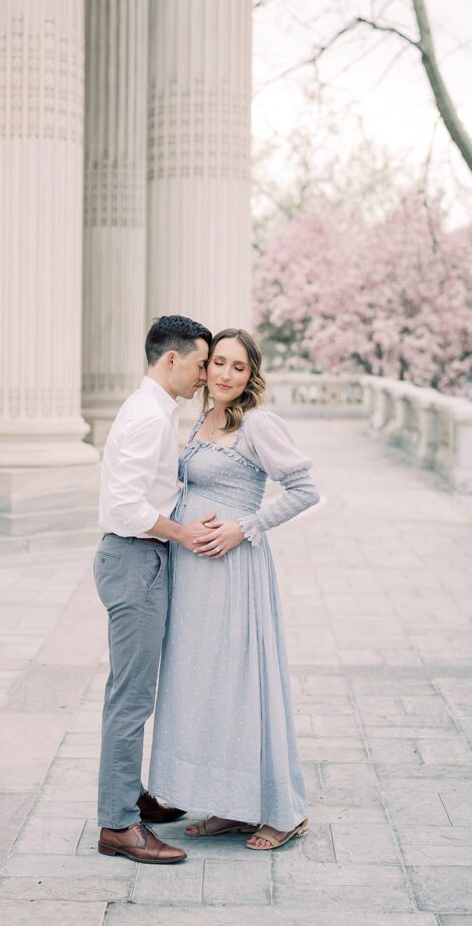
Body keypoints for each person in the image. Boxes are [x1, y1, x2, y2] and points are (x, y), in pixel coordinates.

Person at [148, 327, 320, 851]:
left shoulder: (258, 424)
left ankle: (282, 812)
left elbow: (305, 490)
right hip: (194, 573)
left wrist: (244, 526)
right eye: (217, 363)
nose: (224, 374)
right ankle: (231, 804)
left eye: (237, 367)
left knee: (242, 681)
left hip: (232, 570)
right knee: (207, 684)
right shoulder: (201, 420)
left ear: (251, 375)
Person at [95, 314, 217, 865]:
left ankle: (130, 797)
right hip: (135, 559)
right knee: (131, 698)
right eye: (199, 365)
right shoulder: (149, 418)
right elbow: (126, 507)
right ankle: (119, 825)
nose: (204, 377)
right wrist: (182, 533)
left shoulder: (149, 410)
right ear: (172, 360)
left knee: (132, 690)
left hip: (138, 560)